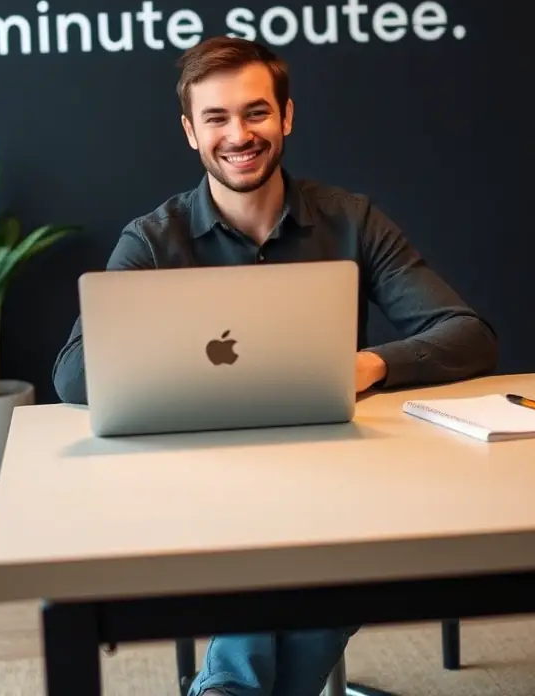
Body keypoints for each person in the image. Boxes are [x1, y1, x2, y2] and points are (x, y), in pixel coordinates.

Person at [53, 35, 498, 696]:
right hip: (199, 482)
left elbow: (468, 335)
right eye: (217, 118)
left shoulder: (351, 221)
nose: (240, 133)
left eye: (256, 112)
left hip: (334, 475)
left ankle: (225, 690)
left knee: (331, 524)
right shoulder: (154, 239)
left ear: (286, 117)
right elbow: (73, 374)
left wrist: (368, 364)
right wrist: (196, 381)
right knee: (291, 533)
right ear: (190, 133)